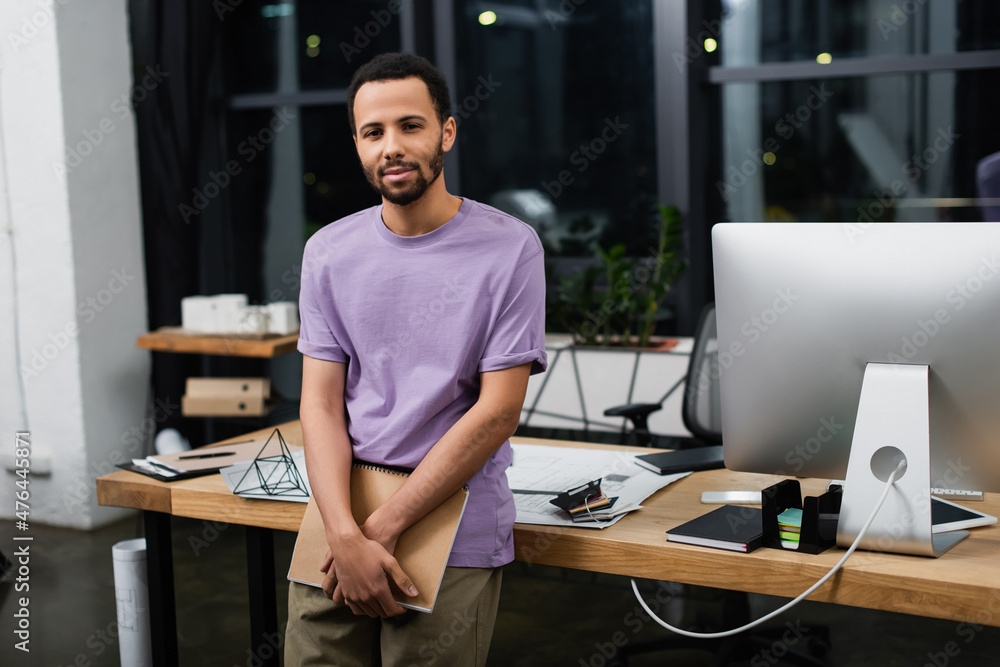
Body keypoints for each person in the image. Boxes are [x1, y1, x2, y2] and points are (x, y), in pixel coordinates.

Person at [284, 52, 547, 666]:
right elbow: (319, 405)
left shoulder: (509, 249)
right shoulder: (328, 252)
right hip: (340, 508)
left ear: (447, 132)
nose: (392, 147)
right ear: (357, 144)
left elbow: (497, 412)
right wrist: (345, 534)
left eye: (410, 125)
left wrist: (379, 530)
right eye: (373, 133)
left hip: (450, 514)